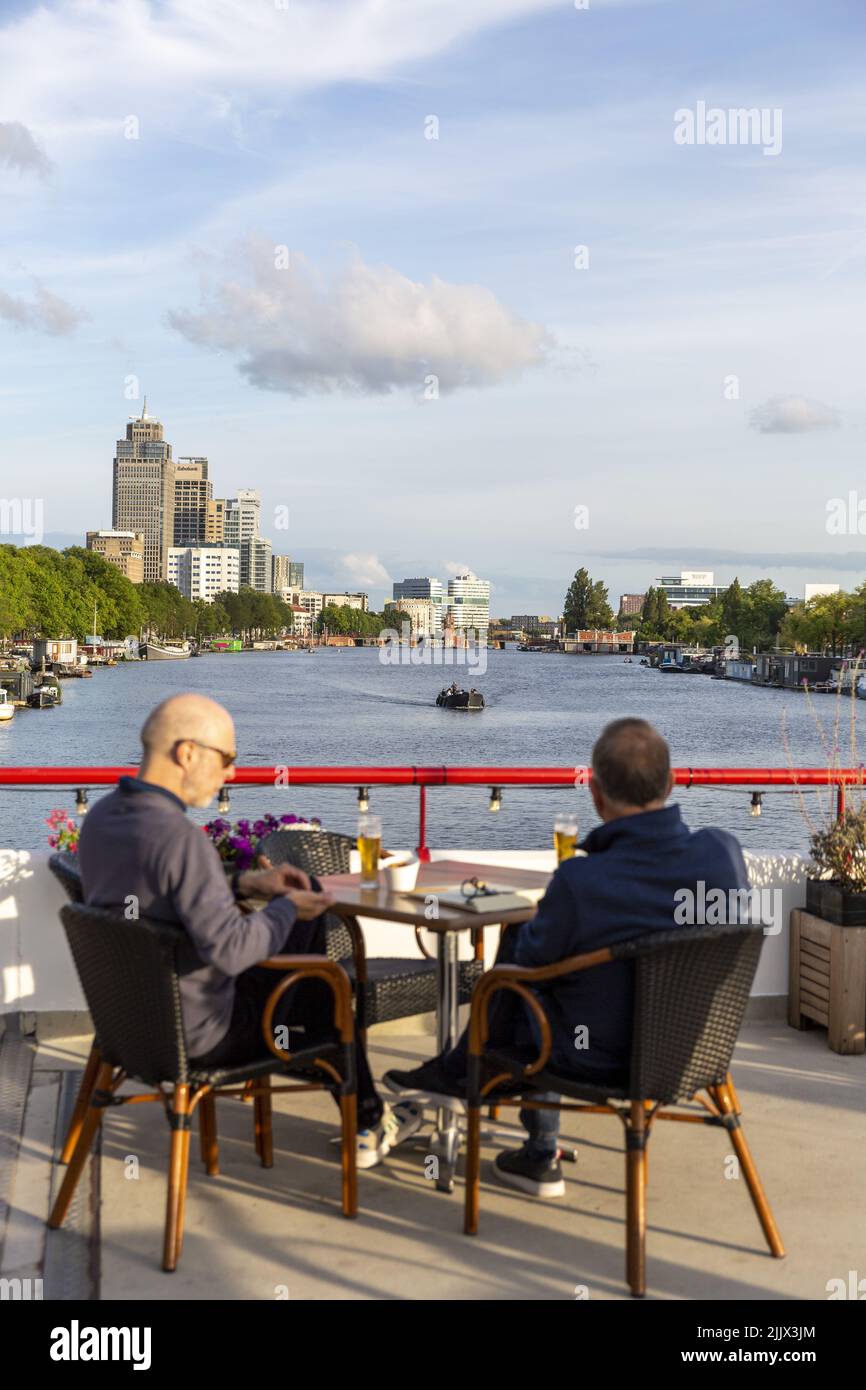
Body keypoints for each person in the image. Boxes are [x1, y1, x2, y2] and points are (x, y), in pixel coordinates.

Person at [385, 717, 750, 1198]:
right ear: (672, 782)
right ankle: (471, 1085)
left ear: (596, 795)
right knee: (547, 962)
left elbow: (529, 969)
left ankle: (499, 1109)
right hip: (696, 1051)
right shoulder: (723, 853)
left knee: (521, 969)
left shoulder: (582, 883)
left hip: (596, 1061)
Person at [77, 693, 420, 1168]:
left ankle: (363, 1108)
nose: (233, 773)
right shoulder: (178, 840)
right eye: (228, 759)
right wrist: (287, 908)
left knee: (315, 967)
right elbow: (232, 951)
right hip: (203, 1034)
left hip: (132, 1023)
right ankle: (364, 1114)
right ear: (188, 753)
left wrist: (247, 882)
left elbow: (158, 894)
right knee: (329, 986)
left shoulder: (102, 819)